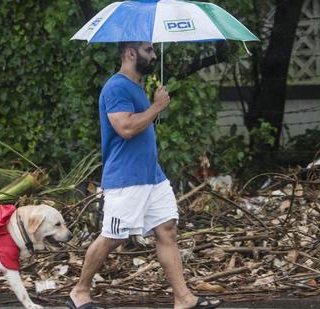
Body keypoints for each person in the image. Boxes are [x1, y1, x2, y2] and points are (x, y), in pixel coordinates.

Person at [65, 42, 222, 309]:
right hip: (127, 178)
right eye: (148, 50)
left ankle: (183, 298)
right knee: (113, 237)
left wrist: (153, 106)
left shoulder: (136, 87)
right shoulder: (116, 87)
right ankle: (79, 292)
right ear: (130, 53)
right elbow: (125, 127)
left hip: (152, 176)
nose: (154, 55)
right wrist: (156, 107)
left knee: (167, 229)